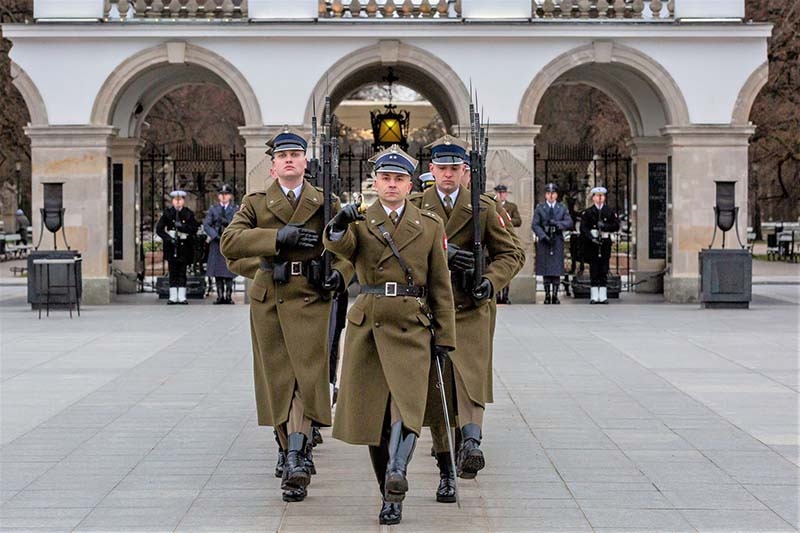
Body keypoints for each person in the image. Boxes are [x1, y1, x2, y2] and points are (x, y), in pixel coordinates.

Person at [324, 145, 456, 526]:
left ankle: (399, 471)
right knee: (373, 419)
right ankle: (389, 492)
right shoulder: (361, 222)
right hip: (370, 325)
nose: (392, 184)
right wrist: (337, 225)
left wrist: (445, 334)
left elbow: (440, 284)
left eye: (399, 179)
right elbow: (341, 247)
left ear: (409, 183)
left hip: (412, 323)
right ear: (376, 182)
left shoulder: (429, 224)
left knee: (408, 407)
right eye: (386, 178)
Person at [220, 129, 353, 503]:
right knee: (278, 379)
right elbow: (230, 243)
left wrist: (338, 276)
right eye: (283, 155)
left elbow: (347, 251)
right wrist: (277, 239)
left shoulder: (326, 201)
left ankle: (296, 453)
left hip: (311, 298)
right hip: (271, 300)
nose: (290, 160)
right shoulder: (256, 202)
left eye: (296, 153)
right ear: (274, 164)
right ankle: (290, 447)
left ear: (306, 161)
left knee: (305, 378)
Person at [409, 135, 520, 500]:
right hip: (431, 307)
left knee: (470, 376)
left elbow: (511, 253)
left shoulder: (483, 208)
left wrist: (490, 281)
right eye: (442, 168)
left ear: (466, 173)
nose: (448, 175)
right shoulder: (415, 207)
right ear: (431, 170)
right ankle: (447, 458)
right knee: (440, 384)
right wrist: (445, 252)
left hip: (471, 306)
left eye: (455, 169)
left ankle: (472, 442)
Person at [532, 183, 573, 304]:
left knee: (556, 269)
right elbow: (535, 224)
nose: (551, 196)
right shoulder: (540, 208)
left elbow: (569, 222)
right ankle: (547, 295)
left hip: (557, 240)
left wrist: (557, 224)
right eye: (548, 193)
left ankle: (555, 295)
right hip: (545, 241)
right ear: (545, 195)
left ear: (556, 195)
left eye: (553, 193)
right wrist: (543, 236)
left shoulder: (561, 208)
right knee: (545, 269)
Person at [156, 190, 199, 305]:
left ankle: (182, 296)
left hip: (184, 246)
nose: (178, 203)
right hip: (171, 246)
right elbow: (159, 229)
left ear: (183, 201)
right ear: (172, 201)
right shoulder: (167, 213)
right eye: (176, 200)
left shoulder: (188, 213)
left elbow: (194, 228)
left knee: (182, 272)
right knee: (173, 271)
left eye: (180, 200)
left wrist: (183, 227)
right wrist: (168, 238)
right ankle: (173, 296)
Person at [580, 186, 620, 304]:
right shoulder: (588, 212)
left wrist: (605, 226)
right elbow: (584, 228)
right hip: (592, 244)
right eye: (597, 196)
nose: (600, 198)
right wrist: (591, 238)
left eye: (602, 196)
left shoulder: (610, 211)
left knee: (603, 268)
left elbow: (616, 226)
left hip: (605, 242)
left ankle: (603, 295)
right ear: (593, 198)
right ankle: (594, 295)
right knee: (594, 269)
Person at [203, 184, 238, 304]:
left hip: (229, 242)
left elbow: (238, 223)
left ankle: (228, 296)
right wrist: (215, 235)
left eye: (226, 194)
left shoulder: (235, 209)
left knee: (229, 270)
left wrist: (227, 224)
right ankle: (219, 296)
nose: (224, 197)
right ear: (218, 196)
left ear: (230, 196)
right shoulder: (213, 209)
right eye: (221, 195)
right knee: (217, 271)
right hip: (217, 243)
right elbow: (207, 225)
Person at [492, 184, 522, 303]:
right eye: (499, 192)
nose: (501, 195)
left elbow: (518, 221)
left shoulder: (511, 206)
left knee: (507, 264)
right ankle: (496, 294)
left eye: (503, 192)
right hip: (494, 237)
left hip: (507, 237)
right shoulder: (492, 205)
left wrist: (507, 220)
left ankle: (505, 295)